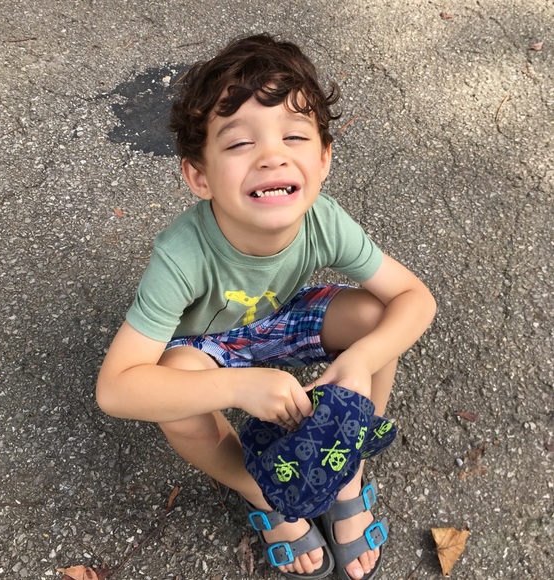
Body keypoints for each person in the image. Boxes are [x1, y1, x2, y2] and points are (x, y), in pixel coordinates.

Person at [96, 33, 436, 580]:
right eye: (238, 144)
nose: (272, 155)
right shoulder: (181, 254)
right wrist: (238, 387)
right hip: (207, 344)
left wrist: (360, 360)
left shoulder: (324, 219)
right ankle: (264, 491)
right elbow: (116, 388)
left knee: (375, 321)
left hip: (284, 317)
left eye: (294, 136)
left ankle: (344, 468)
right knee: (175, 387)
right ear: (199, 175)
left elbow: (414, 298)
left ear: (323, 160)